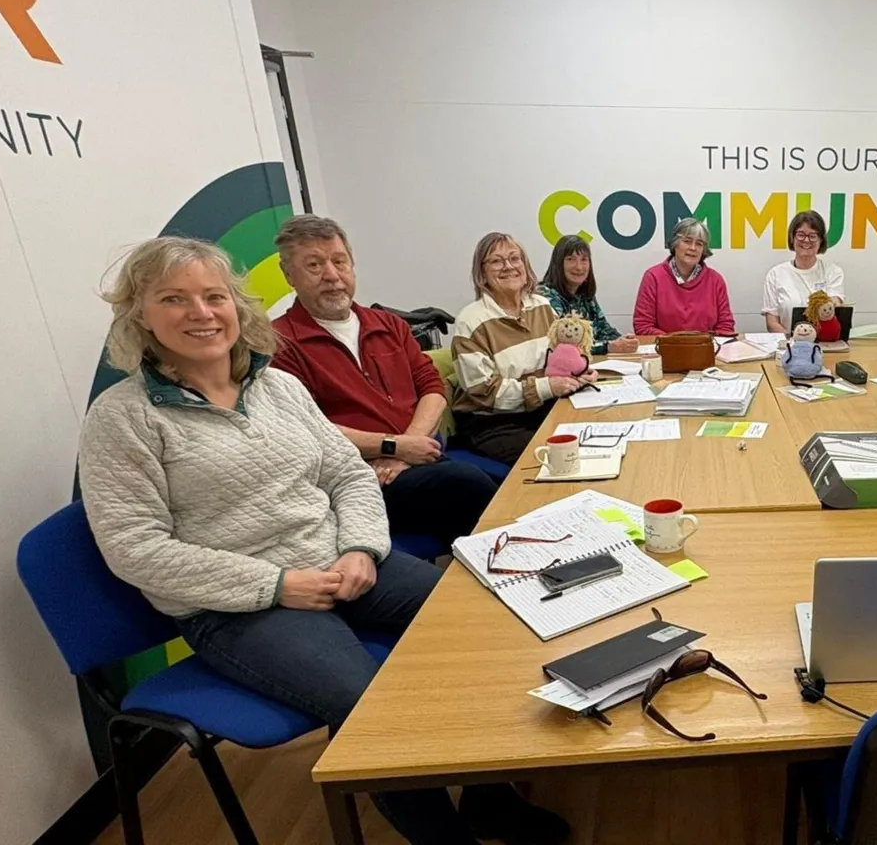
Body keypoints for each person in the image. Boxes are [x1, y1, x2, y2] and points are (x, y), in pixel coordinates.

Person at [78, 237, 569, 845]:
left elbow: (347, 475)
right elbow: (135, 547)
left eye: (214, 296)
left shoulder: (278, 388)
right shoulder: (122, 418)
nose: (201, 313)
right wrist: (277, 584)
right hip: (238, 606)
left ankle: (488, 799)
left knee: (480, 621)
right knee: (371, 706)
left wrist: (361, 548)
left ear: (236, 306)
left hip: (343, 562)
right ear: (140, 316)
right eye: (174, 299)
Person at [270, 215, 496, 548]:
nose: (331, 275)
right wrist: (392, 447)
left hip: (416, 459)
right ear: (289, 274)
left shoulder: (389, 325)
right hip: (358, 479)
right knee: (470, 487)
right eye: (314, 265)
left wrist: (407, 447)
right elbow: (308, 429)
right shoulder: (279, 343)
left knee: (501, 495)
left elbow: (432, 388)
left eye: (339, 261)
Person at [453, 231, 592, 465]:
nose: (508, 266)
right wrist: (547, 387)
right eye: (496, 261)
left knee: (596, 437)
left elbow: (562, 357)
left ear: (525, 266)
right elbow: (484, 392)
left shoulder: (542, 306)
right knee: (561, 458)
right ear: (482, 273)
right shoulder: (471, 322)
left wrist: (580, 373)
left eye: (514, 258)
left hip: (542, 408)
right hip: (494, 422)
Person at [537, 234, 640, 355]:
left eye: (584, 260)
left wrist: (623, 340)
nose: (579, 267)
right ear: (558, 264)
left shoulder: (584, 293)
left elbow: (603, 329)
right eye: (571, 259)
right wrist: (608, 347)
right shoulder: (545, 297)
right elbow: (562, 344)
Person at [633, 217, 735, 336]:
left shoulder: (715, 280)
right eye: (687, 241)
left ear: (704, 250)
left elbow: (725, 326)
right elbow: (642, 326)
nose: (693, 248)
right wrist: (675, 341)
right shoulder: (653, 277)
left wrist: (702, 342)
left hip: (705, 347)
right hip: (664, 347)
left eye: (699, 244)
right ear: (675, 244)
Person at [761, 210, 845, 334]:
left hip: (825, 342)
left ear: (821, 240)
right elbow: (772, 323)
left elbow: (835, 306)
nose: (806, 240)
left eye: (813, 236)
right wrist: (794, 340)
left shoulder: (833, 272)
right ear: (792, 237)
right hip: (788, 342)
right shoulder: (775, 274)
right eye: (801, 235)